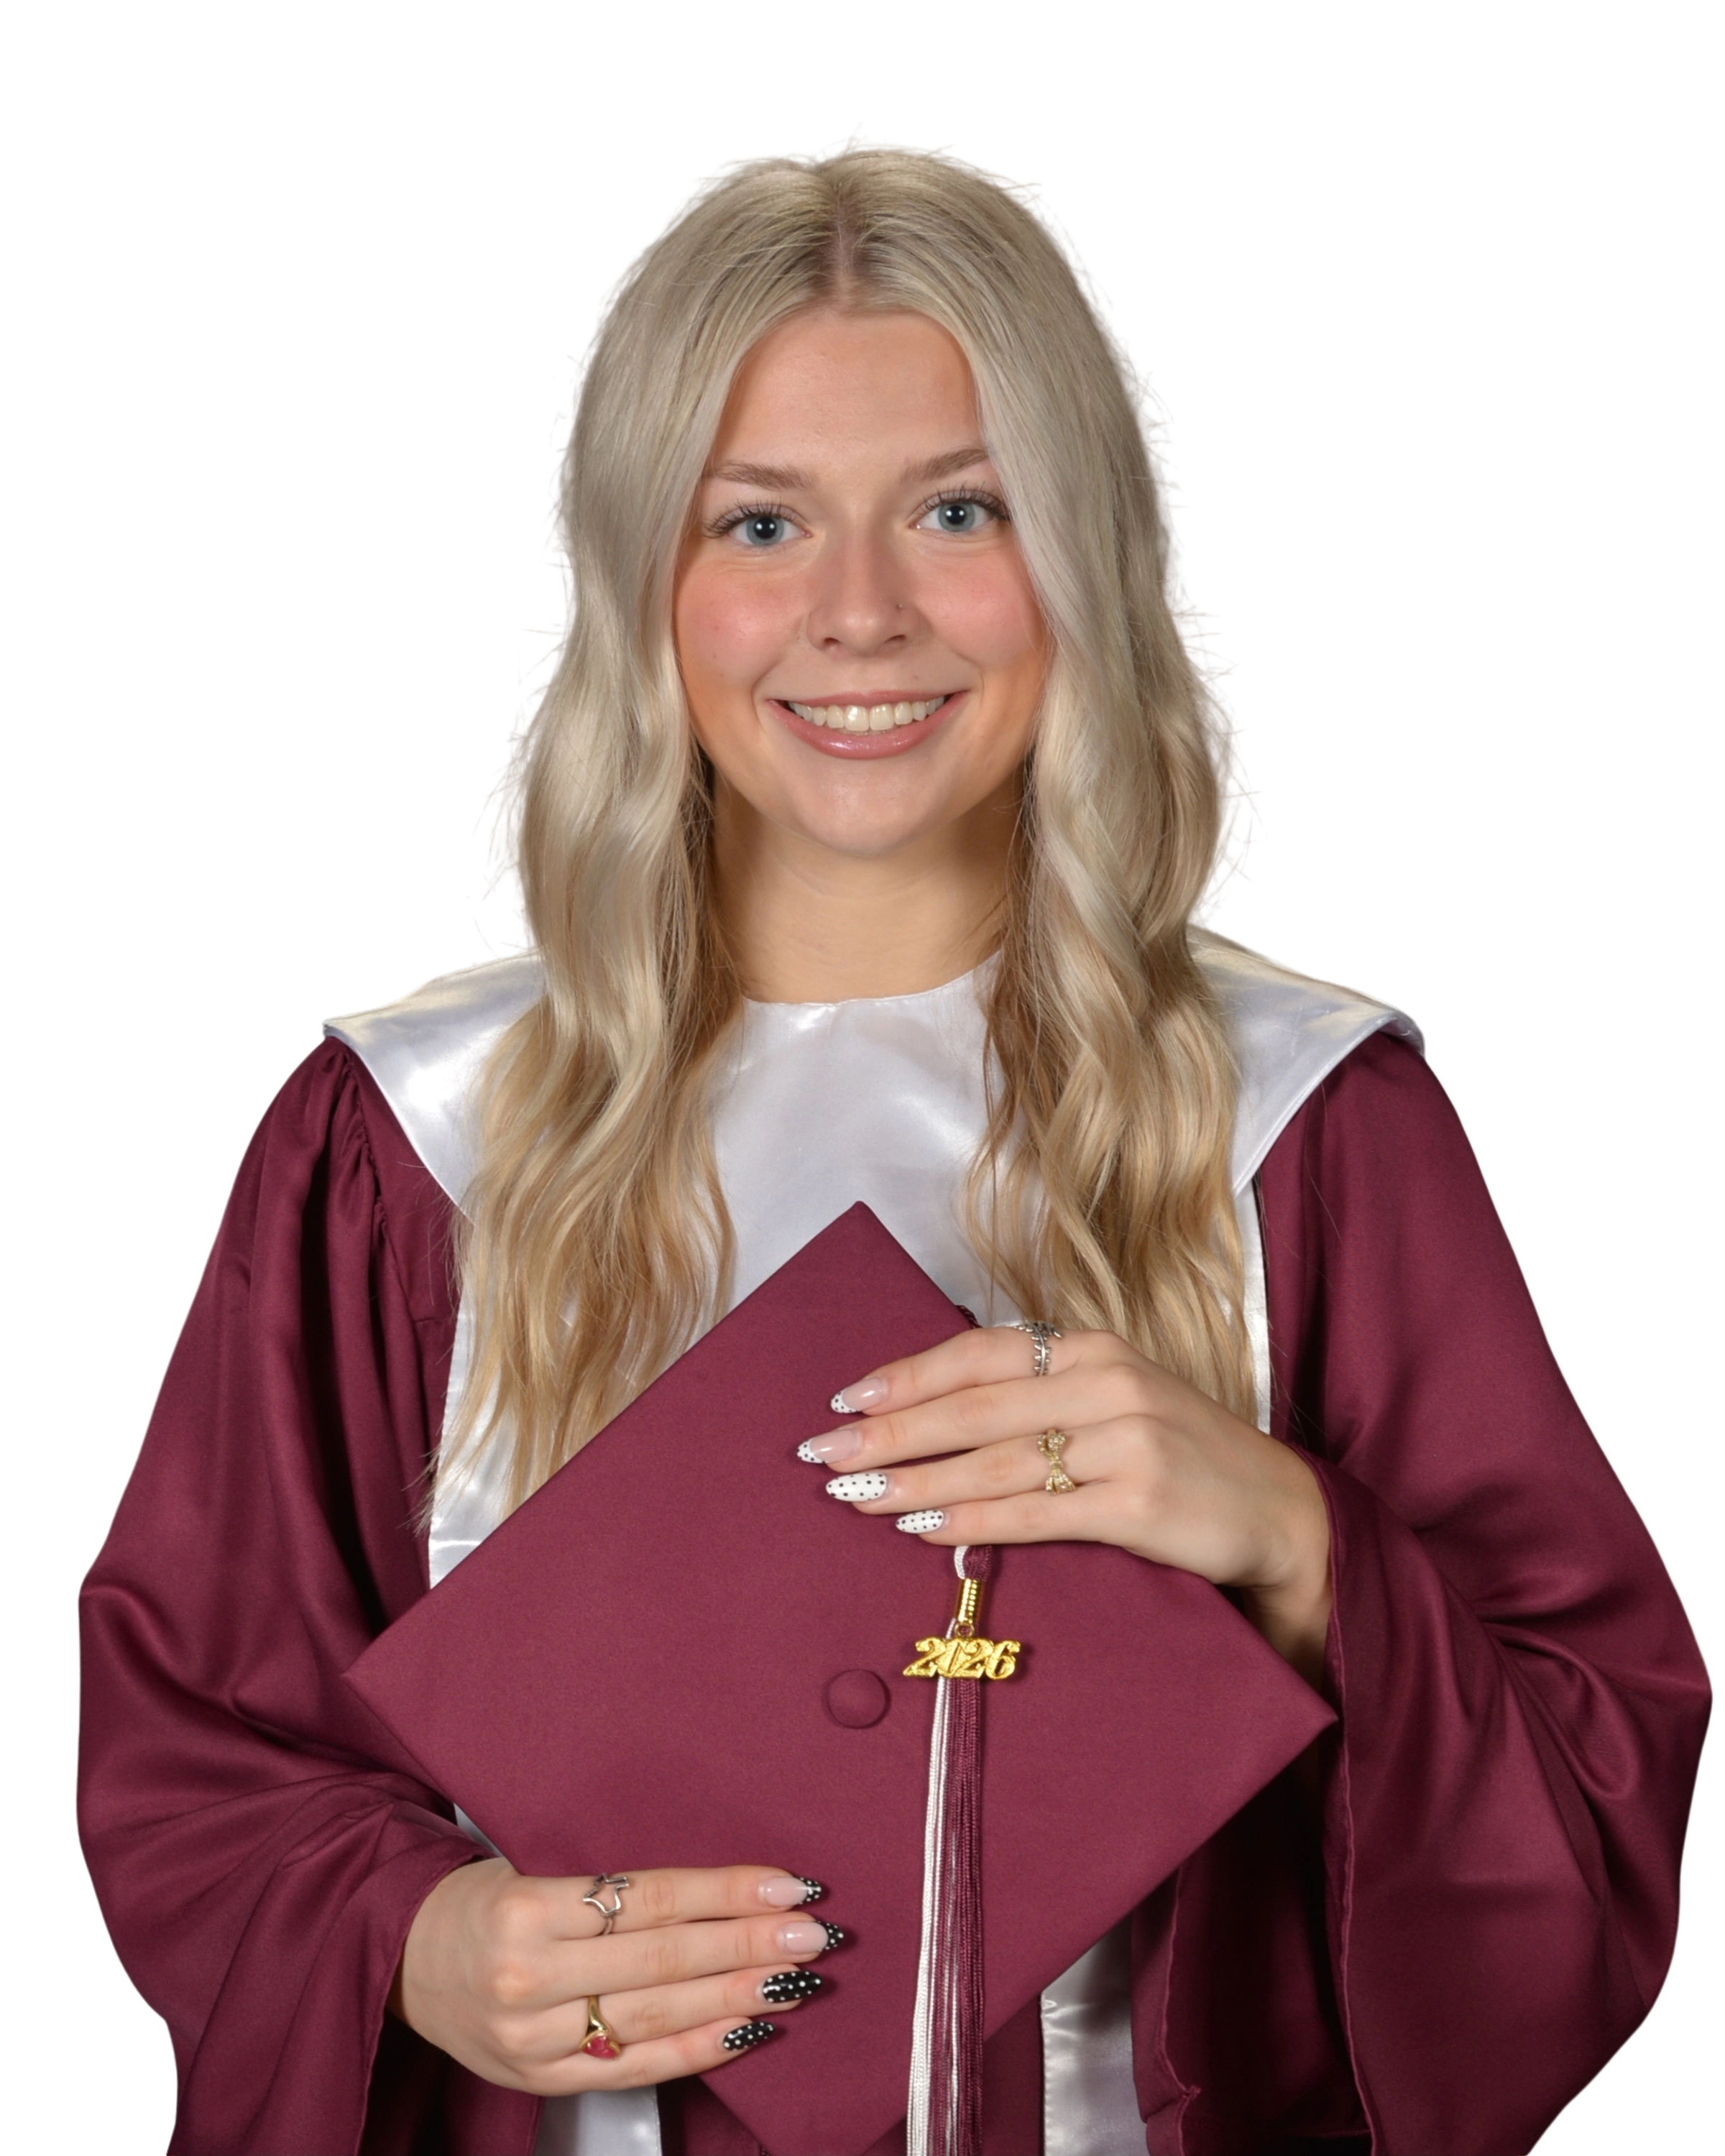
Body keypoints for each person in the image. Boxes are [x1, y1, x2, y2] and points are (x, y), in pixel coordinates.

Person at [75, 130, 1711, 2156]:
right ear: (642, 586)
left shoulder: (1303, 1125)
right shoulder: (410, 1144)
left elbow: (1591, 1780)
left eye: (959, 509)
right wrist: (418, 1945)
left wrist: (1299, 1543)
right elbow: (197, 1758)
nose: (857, 615)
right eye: (758, 523)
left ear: (1087, 559)